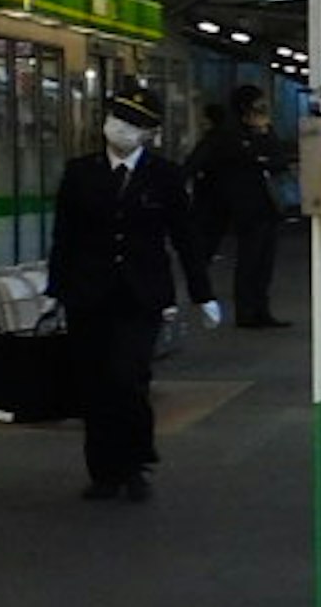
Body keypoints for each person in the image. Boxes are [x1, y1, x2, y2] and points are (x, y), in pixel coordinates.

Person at [47, 82, 216, 503]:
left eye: (133, 124)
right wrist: (56, 289)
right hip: (87, 293)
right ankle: (103, 470)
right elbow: (64, 236)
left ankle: (136, 461)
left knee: (129, 377)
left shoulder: (165, 176)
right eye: (117, 119)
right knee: (93, 382)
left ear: (148, 133)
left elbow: (185, 238)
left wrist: (202, 293)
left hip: (141, 294)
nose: (121, 128)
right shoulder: (80, 173)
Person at [189, 84, 288, 326]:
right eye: (258, 104)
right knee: (250, 260)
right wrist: (259, 157)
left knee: (264, 262)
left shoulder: (264, 131)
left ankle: (261, 310)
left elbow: (278, 161)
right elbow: (226, 162)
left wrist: (262, 142)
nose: (262, 109)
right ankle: (246, 312)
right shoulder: (227, 135)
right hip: (244, 207)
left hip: (267, 206)